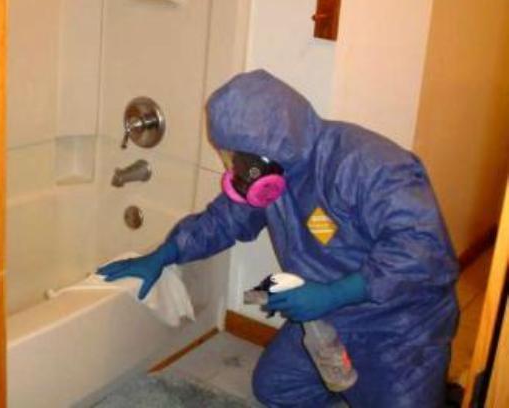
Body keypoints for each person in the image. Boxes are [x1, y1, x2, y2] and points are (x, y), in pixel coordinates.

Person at [98, 70, 459, 407]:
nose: (230, 168)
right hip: (330, 316)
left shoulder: (368, 164)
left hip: (399, 323)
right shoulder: (271, 175)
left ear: (264, 149)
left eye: (234, 158)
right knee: (275, 387)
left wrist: (334, 293)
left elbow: (422, 251)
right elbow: (224, 218)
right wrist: (166, 253)